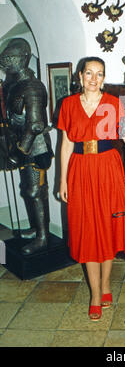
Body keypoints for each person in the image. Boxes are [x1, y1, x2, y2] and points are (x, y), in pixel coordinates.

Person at [57, 56, 125, 321]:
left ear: (104, 77)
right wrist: (62, 180)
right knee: (87, 230)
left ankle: (105, 286)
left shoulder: (116, 104)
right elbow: (67, 144)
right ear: (80, 76)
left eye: (99, 74)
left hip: (108, 169)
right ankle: (95, 293)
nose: (94, 79)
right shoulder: (68, 105)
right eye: (89, 73)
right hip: (80, 170)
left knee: (107, 227)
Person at [0, 38, 53, 255]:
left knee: (34, 190)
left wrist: (19, 152)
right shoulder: (15, 85)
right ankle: (36, 228)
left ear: (22, 59)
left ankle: (43, 237)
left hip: (34, 147)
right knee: (27, 190)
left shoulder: (31, 87)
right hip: (22, 145)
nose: (6, 63)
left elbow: (35, 125)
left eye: (9, 59)